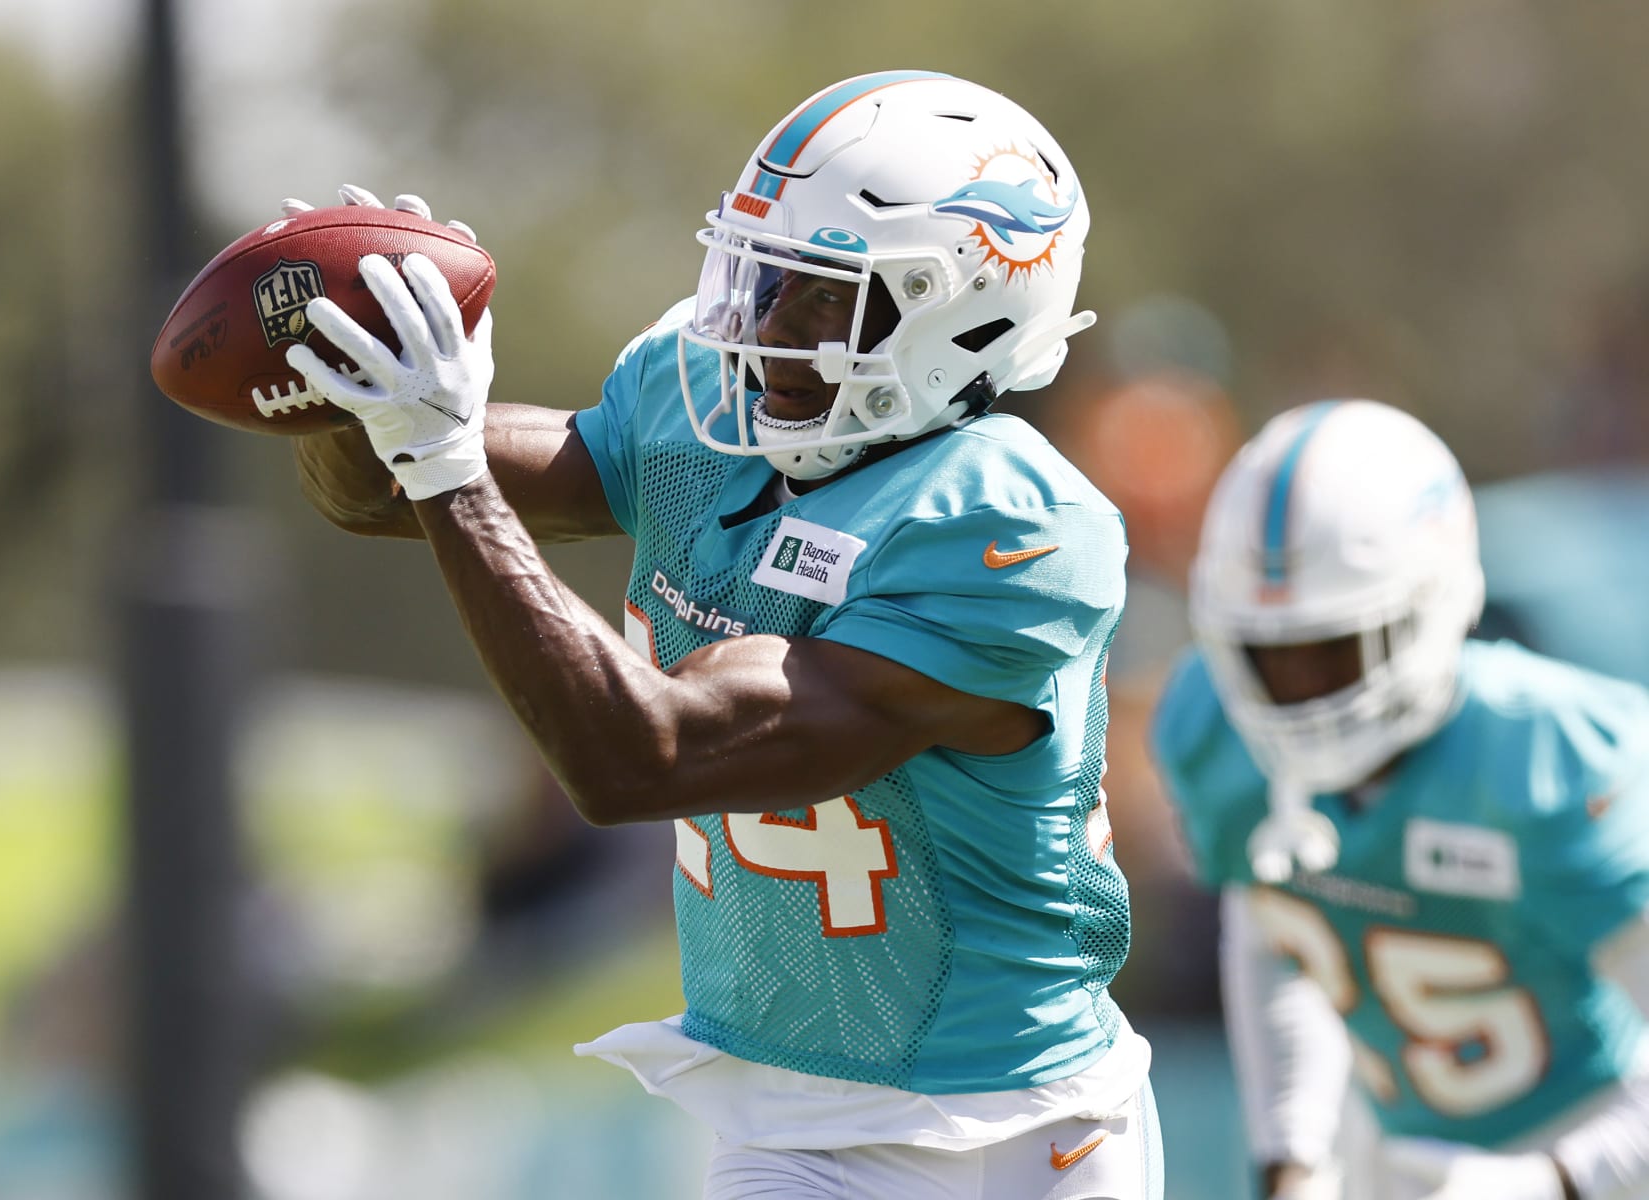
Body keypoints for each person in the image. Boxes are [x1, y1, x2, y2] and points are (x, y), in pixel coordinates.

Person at [279, 70, 1162, 1199]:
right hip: (776, 1116)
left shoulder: (1004, 528)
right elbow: (376, 490)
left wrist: (443, 464)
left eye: (824, 298)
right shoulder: (704, 415)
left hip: (1002, 1131)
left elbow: (641, 756)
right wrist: (352, 375)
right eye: (766, 278)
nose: (769, 329)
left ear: (966, 316)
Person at [1149, 399, 1649, 1200]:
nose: (1299, 694)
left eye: (1333, 650)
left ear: (1432, 605)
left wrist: (1554, 1180)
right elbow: (1278, 930)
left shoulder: (1551, 762)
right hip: (1391, 1148)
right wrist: (1292, 1152)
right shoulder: (1212, 728)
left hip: (1599, 1137)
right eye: (1267, 656)